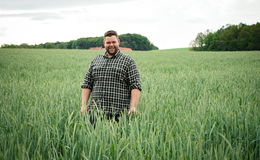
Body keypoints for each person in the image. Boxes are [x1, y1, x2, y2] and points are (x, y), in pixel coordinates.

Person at [80, 30, 142, 123]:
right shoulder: (96, 60)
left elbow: (135, 85)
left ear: (118, 42)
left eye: (114, 42)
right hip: (95, 113)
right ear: (104, 44)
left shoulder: (128, 61)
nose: (111, 45)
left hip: (119, 115)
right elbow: (87, 84)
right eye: (108, 42)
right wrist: (84, 105)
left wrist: (133, 107)